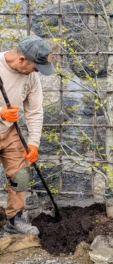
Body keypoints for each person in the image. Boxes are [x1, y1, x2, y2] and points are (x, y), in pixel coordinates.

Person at [0, 35, 55, 235]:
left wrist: (33, 143)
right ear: (22, 59)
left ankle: (14, 220)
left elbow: (34, 110)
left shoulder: (31, 76)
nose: (37, 71)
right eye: (35, 66)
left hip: (9, 131)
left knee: (21, 176)